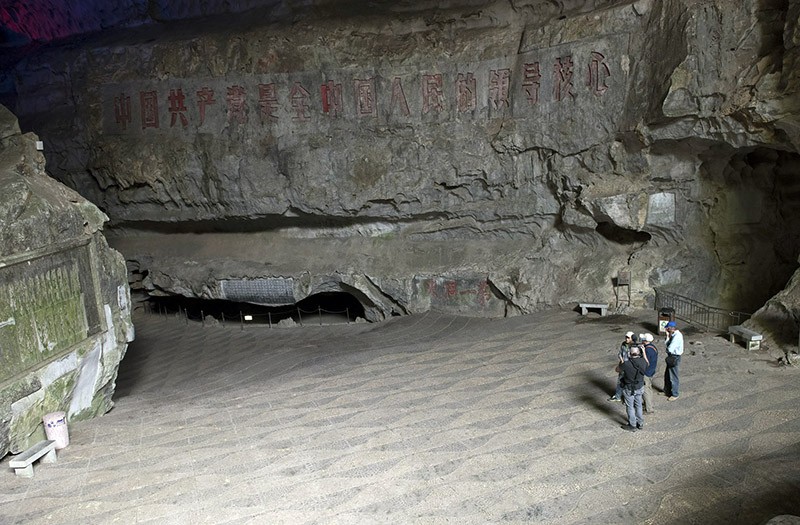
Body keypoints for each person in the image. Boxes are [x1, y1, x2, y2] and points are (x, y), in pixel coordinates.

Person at [618, 340, 648, 431]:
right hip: (639, 387)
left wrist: (622, 360)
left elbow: (617, 370)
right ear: (639, 352)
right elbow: (647, 363)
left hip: (629, 388)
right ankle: (640, 423)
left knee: (630, 406)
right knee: (638, 405)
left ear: (629, 354)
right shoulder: (643, 361)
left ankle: (632, 425)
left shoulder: (626, 364)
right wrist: (644, 352)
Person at [609, 331, 634, 402]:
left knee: (628, 383)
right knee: (620, 381)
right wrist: (621, 359)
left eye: (628, 338)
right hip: (623, 365)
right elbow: (620, 353)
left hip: (629, 367)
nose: (626, 339)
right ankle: (617, 396)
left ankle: (628, 399)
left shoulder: (634, 346)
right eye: (626, 337)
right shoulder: (623, 344)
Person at [664, 321, 684, 400]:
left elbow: (670, 348)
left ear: (671, 328)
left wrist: (667, 348)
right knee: (667, 374)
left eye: (667, 328)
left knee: (673, 376)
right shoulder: (673, 335)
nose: (666, 329)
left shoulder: (677, 336)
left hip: (674, 356)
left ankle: (675, 394)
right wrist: (668, 336)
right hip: (672, 356)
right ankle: (667, 390)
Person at [640, 333, 658, 413]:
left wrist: (643, 352)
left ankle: (649, 409)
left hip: (646, 372)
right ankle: (649, 404)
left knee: (645, 390)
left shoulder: (647, 350)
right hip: (651, 371)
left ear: (645, 340)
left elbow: (646, 361)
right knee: (649, 388)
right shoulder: (653, 347)